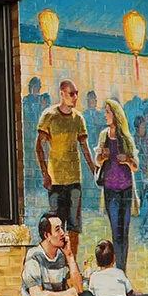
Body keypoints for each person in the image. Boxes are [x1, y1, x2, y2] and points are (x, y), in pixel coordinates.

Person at [36, 79, 96, 236]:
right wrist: (45, 174)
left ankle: (72, 260)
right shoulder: (49, 116)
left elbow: (84, 146)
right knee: (57, 224)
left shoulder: (78, 119)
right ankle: (60, 260)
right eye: (71, 94)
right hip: (55, 180)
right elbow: (39, 147)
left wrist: (94, 169)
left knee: (74, 225)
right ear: (62, 94)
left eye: (76, 93)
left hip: (74, 180)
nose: (75, 97)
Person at [93, 98, 139, 271]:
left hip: (126, 189)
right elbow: (98, 161)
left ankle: (122, 268)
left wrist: (126, 159)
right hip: (111, 189)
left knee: (124, 232)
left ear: (115, 114)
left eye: (107, 112)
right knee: (115, 230)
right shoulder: (103, 135)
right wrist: (103, 156)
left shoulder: (126, 137)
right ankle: (118, 269)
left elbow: (135, 166)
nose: (105, 115)